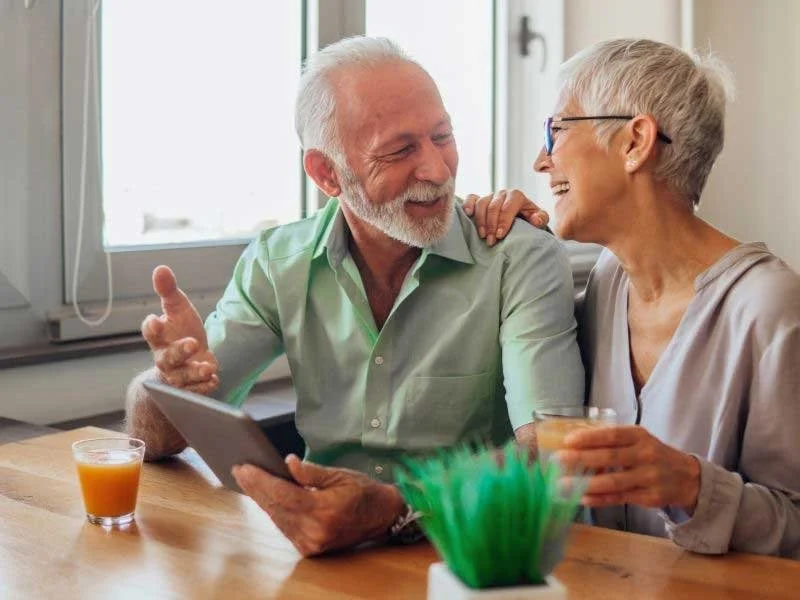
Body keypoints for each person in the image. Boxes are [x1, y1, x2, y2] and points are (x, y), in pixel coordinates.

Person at [125, 36, 584, 556]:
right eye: (400, 150)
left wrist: (396, 511)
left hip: (469, 552)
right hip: (321, 554)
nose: (438, 170)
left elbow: (551, 452)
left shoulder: (518, 257)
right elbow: (157, 439)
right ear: (327, 174)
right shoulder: (278, 263)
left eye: (442, 136)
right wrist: (169, 383)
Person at [466, 38, 800, 558]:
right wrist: (512, 240)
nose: (540, 160)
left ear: (635, 141)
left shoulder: (770, 307)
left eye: (556, 131)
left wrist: (692, 486)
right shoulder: (607, 282)